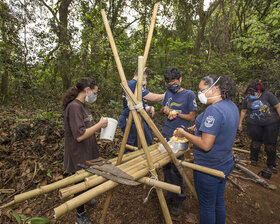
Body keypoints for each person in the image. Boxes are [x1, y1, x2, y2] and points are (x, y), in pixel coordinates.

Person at [174, 75, 239, 224]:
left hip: (209, 166)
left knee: (207, 206)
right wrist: (200, 127)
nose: (200, 94)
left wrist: (184, 133)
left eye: (202, 90)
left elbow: (205, 144)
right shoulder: (231, 105)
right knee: (218, 201)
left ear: (214, 89)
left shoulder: (214, 110)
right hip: (225, 161)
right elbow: (222, 126)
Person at [62, 77, 108, 224]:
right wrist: (99, 125)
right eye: (95, 92)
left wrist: (99, 125)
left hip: (87, 150)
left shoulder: (85, 106)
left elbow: (87, 126)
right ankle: (80, 214)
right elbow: (80, 135)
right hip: (78, 152)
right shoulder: (74, 107)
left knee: (87, 177)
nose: (96, 95)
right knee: (79, 183)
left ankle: (86, 197)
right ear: (87, 90)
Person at [160, 67, 197, 216]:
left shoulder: (189, 94)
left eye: (174, 83)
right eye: (169, 84)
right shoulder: (168, 92)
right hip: (166, 131)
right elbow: (163, 107)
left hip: (180, 134)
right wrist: (166, 110)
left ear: (180, 79)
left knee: (177, 166)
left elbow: (191, 117)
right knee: (165, 165)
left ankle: (179, 197)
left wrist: (177, 114)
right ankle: (170, 192)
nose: (172, 86)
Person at [119, 67, 164, 153]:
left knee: (145, 141)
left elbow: (138, 104)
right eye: (146, 77)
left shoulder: (134, 85)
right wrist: (166, 95)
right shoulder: (134, 84)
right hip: (131, 119)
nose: (145, 80)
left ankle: (141, 161)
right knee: (131, 145)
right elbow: (154, 98)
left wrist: (148, 108)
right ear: (144, 76)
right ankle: (129, 164)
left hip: (137, 118)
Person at [238, 82, 280, 173]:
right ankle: (254, 160)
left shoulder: (268, 95)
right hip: (254, 123)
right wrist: (240, 123)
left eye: (253, 93)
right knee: (256, 141)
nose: (251, 95)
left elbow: (278, 106)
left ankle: (271, 164)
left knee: (270, 143)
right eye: (249, 93)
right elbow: (244, 111)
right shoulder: (247, 99)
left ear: (259, 91)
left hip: (271, 123)